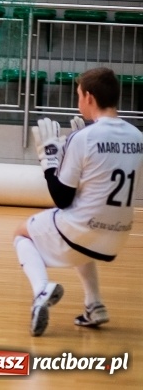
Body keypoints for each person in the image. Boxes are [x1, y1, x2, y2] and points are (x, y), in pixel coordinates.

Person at [15, 67, 143, 336]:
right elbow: (102, 175)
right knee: (82, 236)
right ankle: (94, 305)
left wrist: (49, 159)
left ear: (89, 97)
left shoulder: (82, 138)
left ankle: (41, 292)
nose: (78, 102)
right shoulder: (137, 137)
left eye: (78, 96)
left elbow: (61, 197)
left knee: (22, 233)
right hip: (119, 233)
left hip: (85, 227)